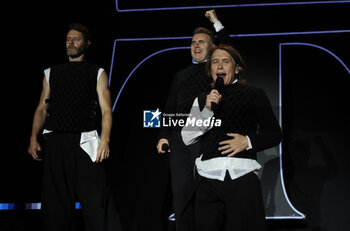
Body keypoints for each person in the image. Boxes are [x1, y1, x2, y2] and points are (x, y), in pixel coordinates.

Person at [28, 23, 121, 231]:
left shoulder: (97, 72)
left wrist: (105, 139)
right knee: (55, 204)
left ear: (87, 44)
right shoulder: (51, 72)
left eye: (76, 39)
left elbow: (106, 110)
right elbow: (41, 109)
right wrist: (33, 138)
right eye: (68, 39)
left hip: (85, 141)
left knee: (97, 200)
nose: (71, 42)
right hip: (56, 141)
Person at [180, 44, 282, 231]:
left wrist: (247, 141)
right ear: (210, 69)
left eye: (225, 62)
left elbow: (274, 133)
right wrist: (207, 111)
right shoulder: (203, 99)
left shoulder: (255, 94)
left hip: (241, 176)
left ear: (236, 69)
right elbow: (187, 137)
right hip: (207, 178)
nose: (219, 66)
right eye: (215, 62)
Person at [156, 9, 231, 228]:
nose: (195, 46)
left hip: (208, 137)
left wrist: (216, 22)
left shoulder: (216, 70)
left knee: (207, 193)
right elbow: (170, 107)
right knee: (181, 194)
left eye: (201, 42)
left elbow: (228, 47)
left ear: (212, 47)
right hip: (180, 140)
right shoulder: (180, 75)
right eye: (193, 43)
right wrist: (163, 136)